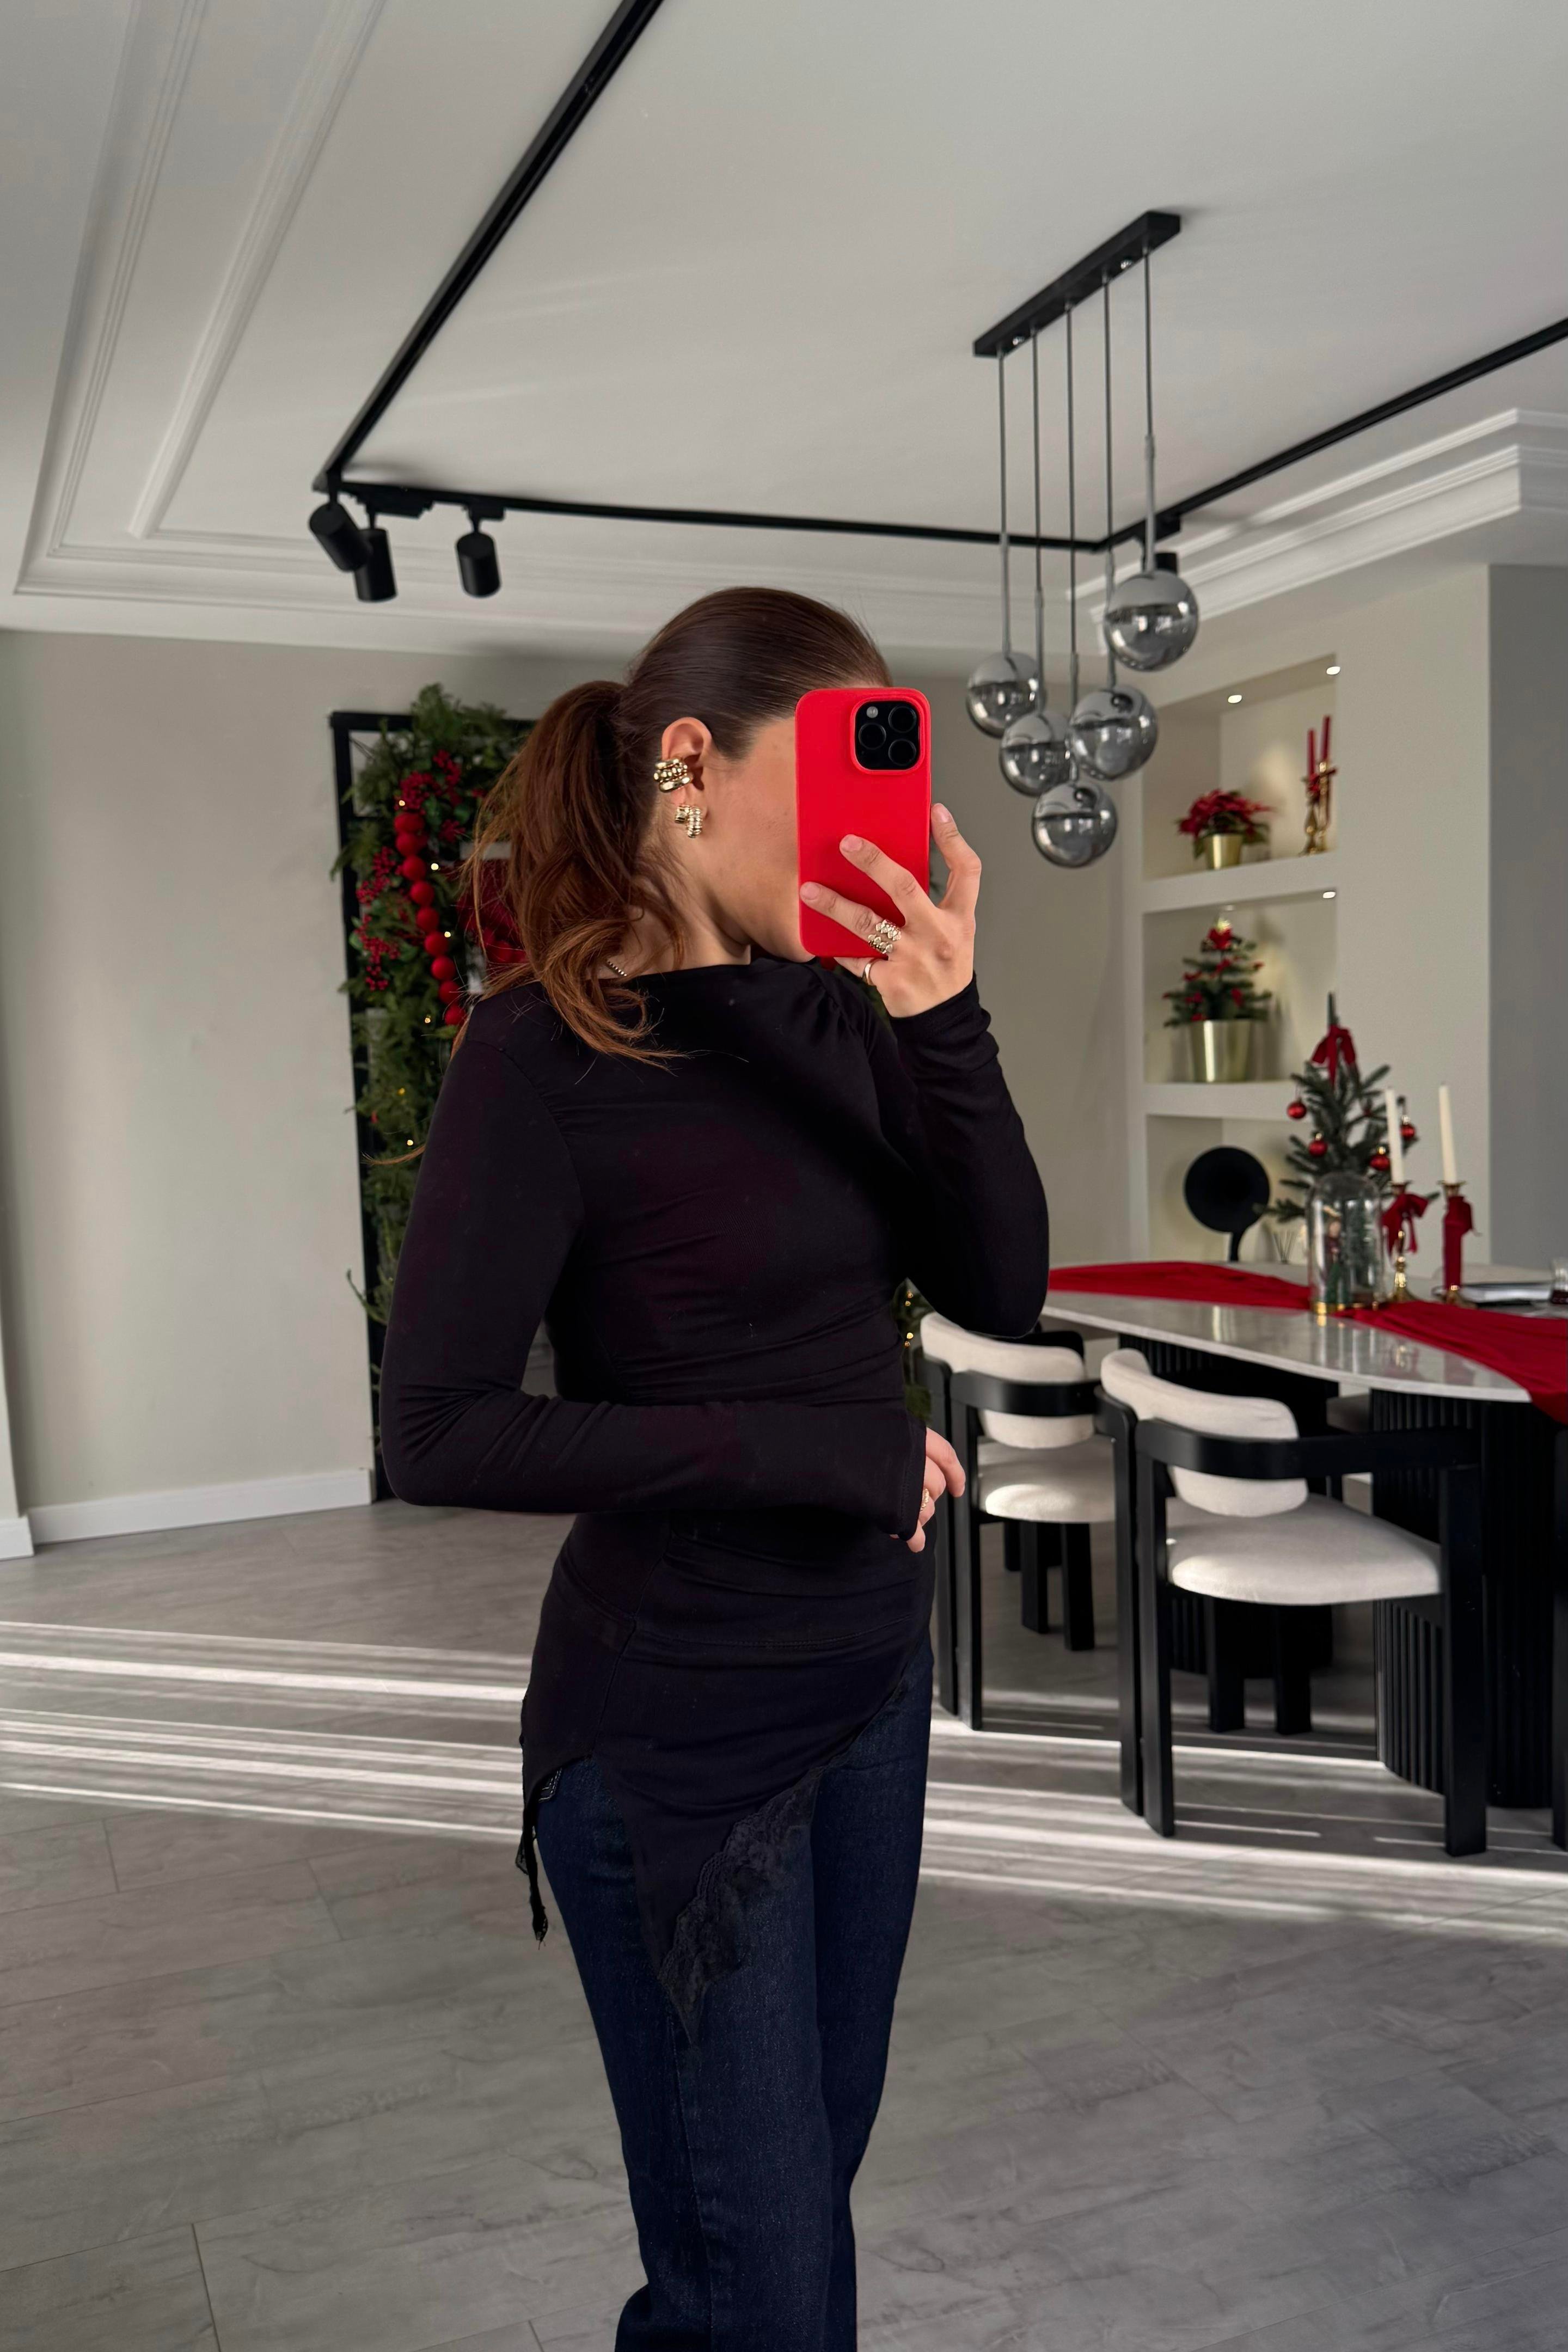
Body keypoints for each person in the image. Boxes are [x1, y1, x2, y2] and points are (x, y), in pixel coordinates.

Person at [379, 586, 1048, 2350]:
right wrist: (809, 1450)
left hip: (868, 1691)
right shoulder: (543, 1051)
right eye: (834, 783)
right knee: (766, 2284)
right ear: (689, 765)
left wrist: (946, 1019)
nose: (864, 839)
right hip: (676, 1736)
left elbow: (1002, 1291)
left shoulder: (843, 1017)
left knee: (777, 2236)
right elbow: (436, 1428)